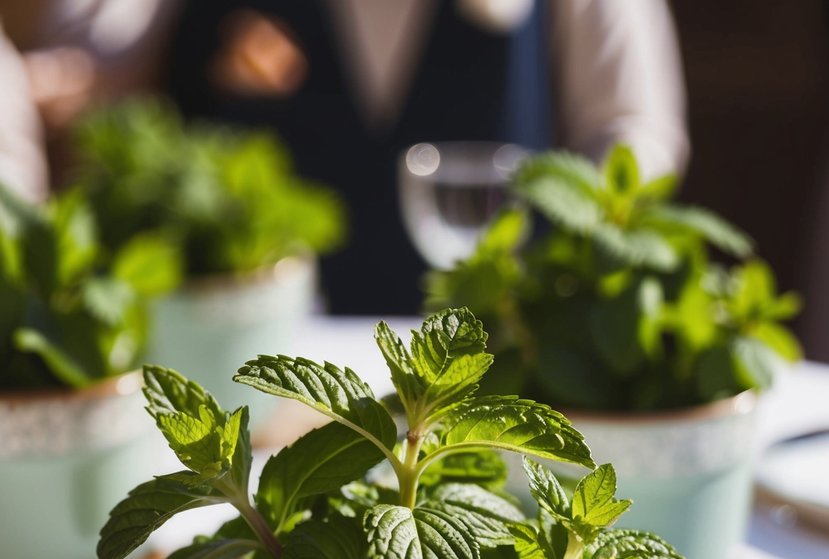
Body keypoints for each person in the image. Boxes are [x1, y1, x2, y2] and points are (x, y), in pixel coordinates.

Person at [0, 0, 689, 314]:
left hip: (493, 353)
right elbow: (92, 73)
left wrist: (593, 237)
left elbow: (637, 129)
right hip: (274, 380)